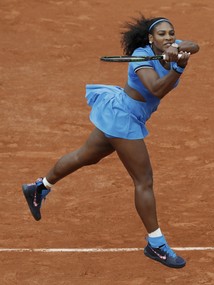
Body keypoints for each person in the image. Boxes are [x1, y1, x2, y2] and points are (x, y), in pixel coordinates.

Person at [22, 15, 199, 269]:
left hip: (122, 111)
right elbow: (156, 89)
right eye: (162, 34)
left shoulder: (171, 45)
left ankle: (39, 187)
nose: (168, 37)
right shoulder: (141, 56)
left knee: (86, 156)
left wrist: (179, 49)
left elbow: (195, 45)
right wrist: (178, 68)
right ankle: (156, 244)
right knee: (144, 181)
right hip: (123, 118)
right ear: (151, 39)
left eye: (171, 33)